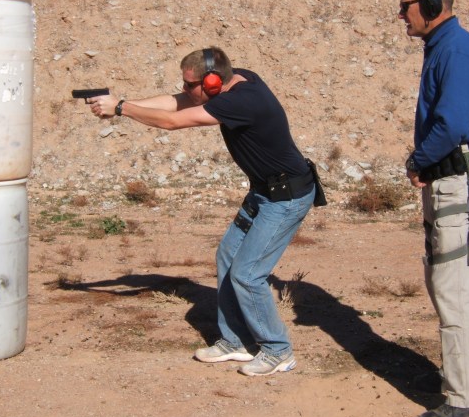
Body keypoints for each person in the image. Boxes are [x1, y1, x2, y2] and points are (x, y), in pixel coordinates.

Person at [87, 47, 324, 376]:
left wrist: (121, 109)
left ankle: (277, 350)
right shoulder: (237, 81)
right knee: (228, 256)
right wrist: (121, 103)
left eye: (190, 84)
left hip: (286, 197)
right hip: (263, 191)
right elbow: (176, 102)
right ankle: (236, 341)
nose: (184, 89)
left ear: (212, 83)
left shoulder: (242, 101)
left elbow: (172, 121)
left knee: (248, 274)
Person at [399, 0, 469, 417]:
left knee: (453, 290)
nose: (401, 15)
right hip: (450, 178)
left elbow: (452, 123)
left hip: (456, 180)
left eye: (406, 6)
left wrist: (418, 161)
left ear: (433, 4)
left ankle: (467, 400)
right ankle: (461, 382)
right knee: (445, 284)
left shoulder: (455, 50)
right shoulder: (444, 47)